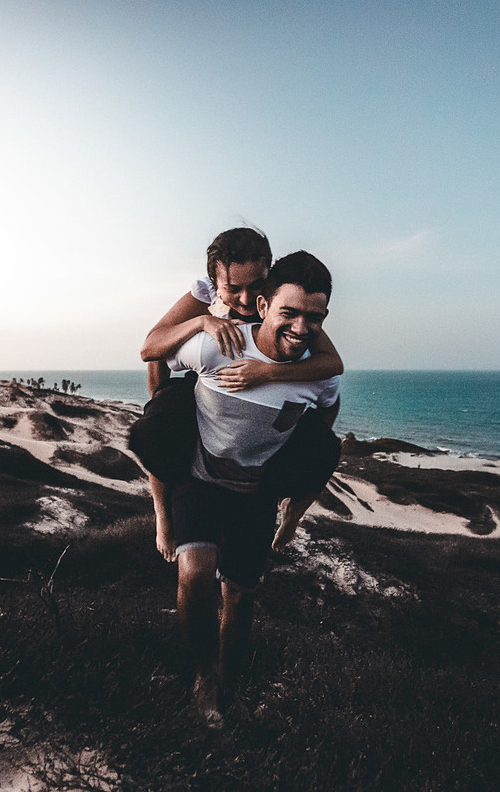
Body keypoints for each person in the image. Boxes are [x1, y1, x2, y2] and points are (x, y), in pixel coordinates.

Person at [162, 251, 340, 725]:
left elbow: (327, 414)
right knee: (194, 573)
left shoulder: (318, 374)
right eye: (290, 313)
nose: (301, 328)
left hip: (256, 492)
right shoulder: (217, 344)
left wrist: (296, 478)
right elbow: (156, 352)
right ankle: (204, 677)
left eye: (315, 318)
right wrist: (160, 411)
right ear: (263, 306)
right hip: (199, 478)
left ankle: (229, 683)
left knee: (240, 595)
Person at [138, 228, 343, 562]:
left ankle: (291, 512)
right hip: (207, 379)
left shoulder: (291, 311)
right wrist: (201, 322)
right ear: (215, 284)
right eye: (233, 289)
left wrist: (267, 373)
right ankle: (163, 516)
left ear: (269, 278)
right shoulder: (204, 296)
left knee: (323, 447)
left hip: (265, 390)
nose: (246, 299)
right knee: (157, 430)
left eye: (256, 285)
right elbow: (151, 348)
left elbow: (333, 364)